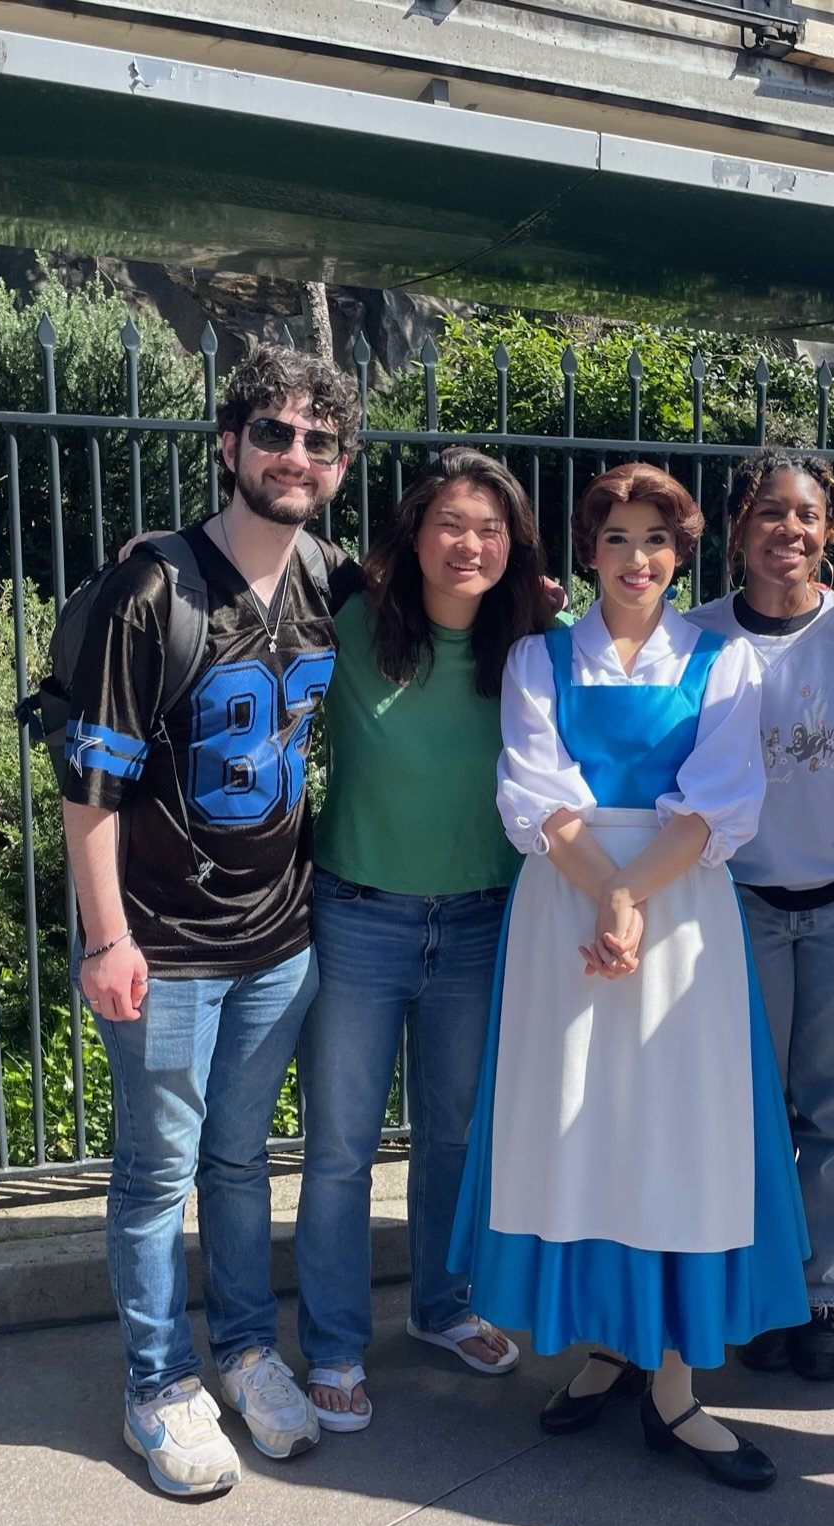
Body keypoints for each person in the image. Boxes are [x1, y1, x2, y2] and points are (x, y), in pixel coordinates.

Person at [449, 462, 807, 1492]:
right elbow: (539, 793)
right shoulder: (537, 658)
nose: (637, 558)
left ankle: (677, 1388)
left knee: (677, 1132)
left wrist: (627, 898)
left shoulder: (725, 662)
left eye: (657, 540)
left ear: (682, 553)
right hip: (569, 906)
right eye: (617, 538)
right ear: (589, 549)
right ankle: (611, 1344)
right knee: (582, 1125)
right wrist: (606, 895)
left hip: (677, 913)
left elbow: (716, 804)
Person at [62, 344, 362, 1497]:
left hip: (278, 943)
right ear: (229, 446)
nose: (295, 455)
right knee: (156, 1173)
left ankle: (242, 1350)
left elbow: (452, 582)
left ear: (337, 467)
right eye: (273, 434)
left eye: (317, 441)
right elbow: (90, 787)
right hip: (165, 945)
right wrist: (105, 938)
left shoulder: (330, 580)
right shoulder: (154, 589)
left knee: (240, 1164)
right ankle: (156, 1382)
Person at [291, 447, 554, 1432]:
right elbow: (275, 557)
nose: (469, 544)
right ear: (414, 534)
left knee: (454, 1135)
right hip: (359, 916)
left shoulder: (533, 641)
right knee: (340, 1149)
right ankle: (332, 1345)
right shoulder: (354, 622)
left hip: (484, 919)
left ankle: (442, 1307)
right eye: (451, 523)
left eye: (490, 528)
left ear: (514, 546)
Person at [689, 449, 834, 1382]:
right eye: (769, 512)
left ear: (830, 528)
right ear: (736, 526)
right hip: (737, 907)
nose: (789, 531)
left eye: (806, 515)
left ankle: (816, 1294)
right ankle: (751, 1286)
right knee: (743, 1109)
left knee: (833, 1109)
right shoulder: (692, 639)